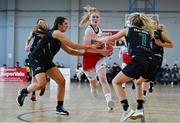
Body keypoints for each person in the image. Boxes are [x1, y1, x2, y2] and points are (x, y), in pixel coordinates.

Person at [16, 16, 98, 115]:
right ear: (59, 24)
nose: (67, 26)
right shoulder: (56, 33)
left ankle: (59, 108)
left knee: (61, 81)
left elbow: (70, 51)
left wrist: (86, 54)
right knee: (41, 84)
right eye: (65, 24)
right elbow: (73, 45)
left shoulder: (59, 37)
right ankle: (23, 92)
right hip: (36, 59)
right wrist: (90, 46)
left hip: (46, 61)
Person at [98, 12, 158, 121]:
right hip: (152, 62)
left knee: (116, 82)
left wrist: (97, 38)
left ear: (130, 22)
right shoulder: (147, 33)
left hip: (140, 60)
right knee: (138, 82)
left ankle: (126, 110)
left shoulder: (127, 30)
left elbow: (109, 38)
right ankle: (139, 109)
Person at [79, 5, 115, 112]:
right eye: (93, 17)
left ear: (99, 19)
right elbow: (87, 49)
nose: (95, 19)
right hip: (89, 58)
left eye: (97, 17)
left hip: (99, 57)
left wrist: (107, 50)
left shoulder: (100, 31)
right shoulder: (88, 31)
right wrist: (102, 51)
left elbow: (103, 45)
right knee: (94, 82)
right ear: (90, 18)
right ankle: (93, 87)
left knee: (103, 79)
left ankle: (109, 103)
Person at [142, 19, 173, 98]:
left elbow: (171, 44)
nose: (153, 25)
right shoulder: (146, 32)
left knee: (151, 73)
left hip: (157, 56)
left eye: (154, 23)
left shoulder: (161, 34)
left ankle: (151, 83)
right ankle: (143, 95)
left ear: (157, 24)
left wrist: (161, 44)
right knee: (145, 74)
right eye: (151, 23)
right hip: (147, 55)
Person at [24, 19, 48, 101]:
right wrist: (26, 46)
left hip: (44, 55)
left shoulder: (47, 32)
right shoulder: (34, 31)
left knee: (45, 72)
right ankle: (33, 94)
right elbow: (28, 39)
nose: (42, 23)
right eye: (40, 22)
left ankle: (43, 86)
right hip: (34, 54)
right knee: (34, 74)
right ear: (37, 24)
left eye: (43, 22)